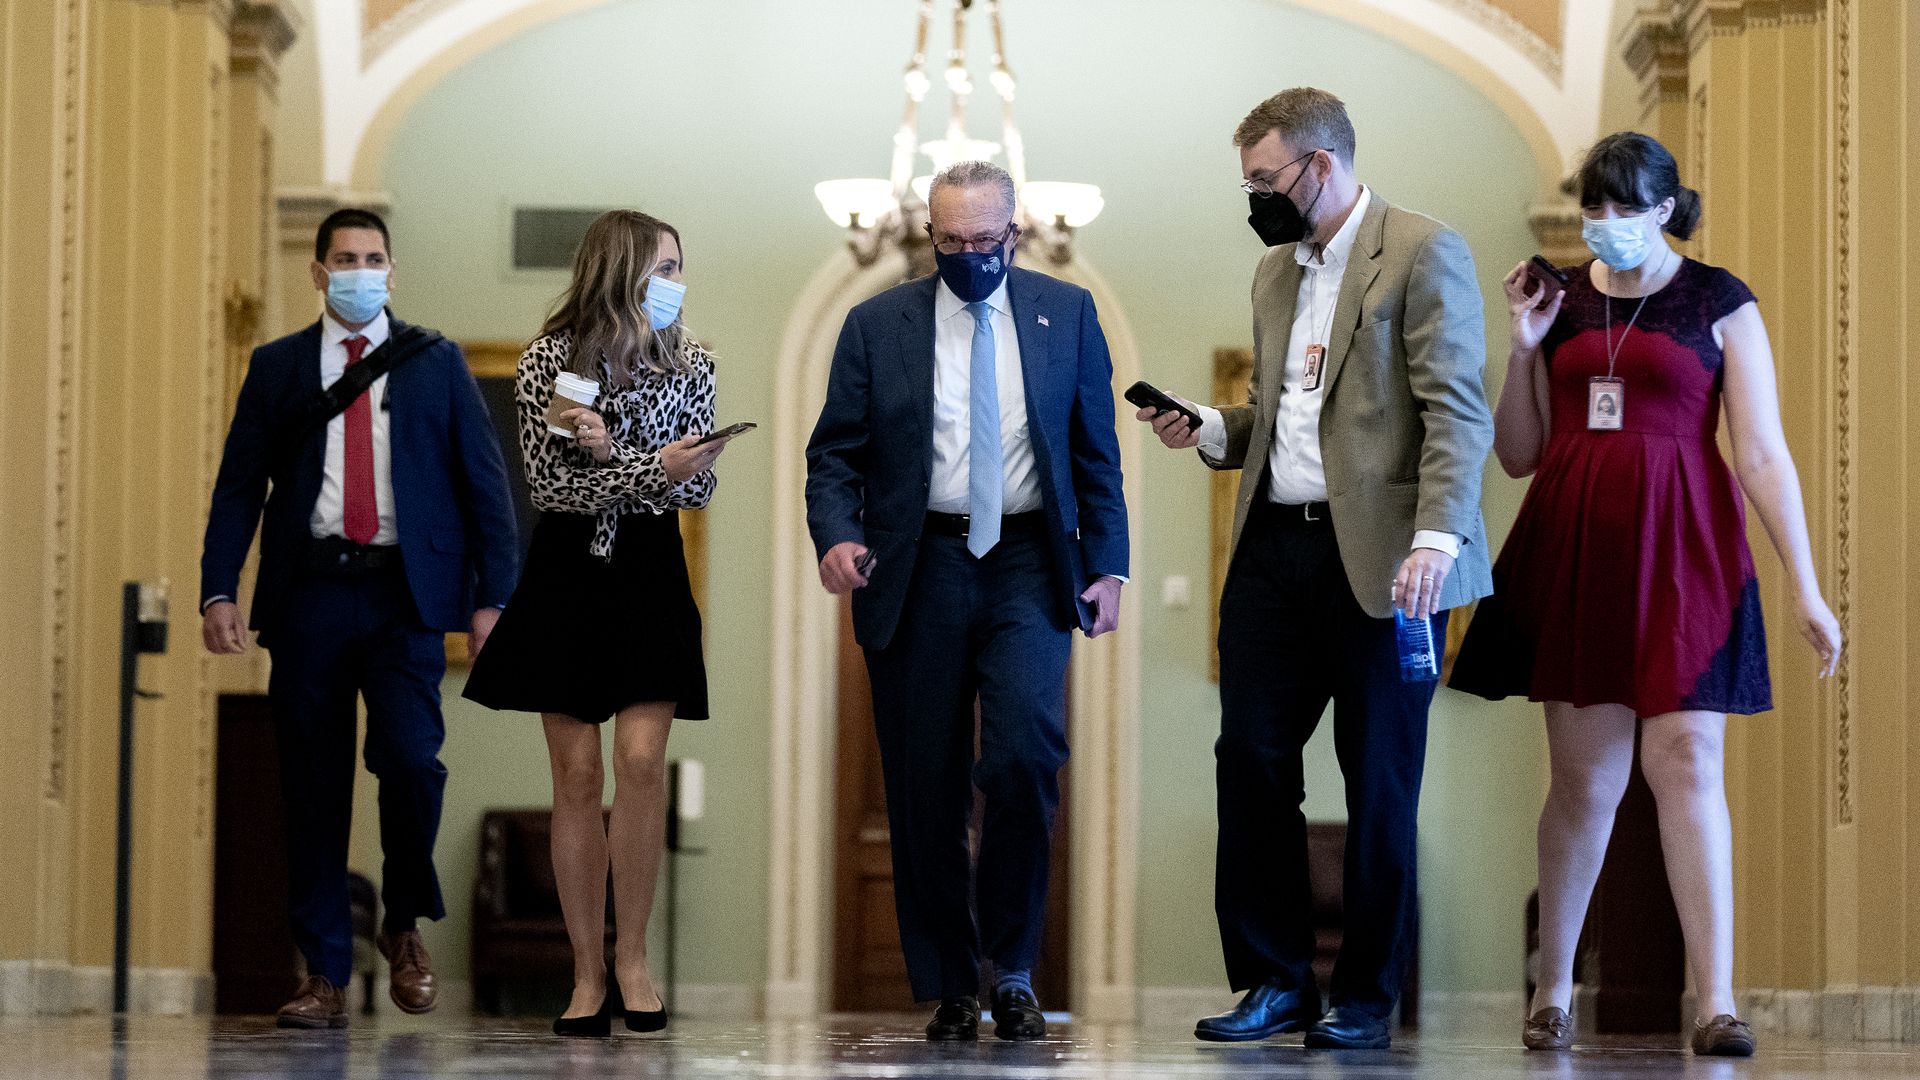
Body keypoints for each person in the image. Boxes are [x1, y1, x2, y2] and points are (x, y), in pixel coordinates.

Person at [1450, 132, 1842, 1057]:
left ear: (1668, 207)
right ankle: (1552, 991)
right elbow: (1517, 451)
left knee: (1689, 764)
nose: (1608, 225)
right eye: (1596, 207)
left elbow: (1760, 452)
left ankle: (1715, 1001)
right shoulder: (1561, 297)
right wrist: (1523, 346)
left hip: (1688, 548)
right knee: (1584, 781)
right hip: (1576, 541)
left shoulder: (1720, 300)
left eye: (1627, 207)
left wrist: (1806, 585)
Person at [1139, 88, 1494, 1050]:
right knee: (1249, 764)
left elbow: (1458, 410)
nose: (1254, 196)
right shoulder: (1272, 274)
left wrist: (1438, 540)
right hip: (1273, 551)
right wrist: (1214, 429)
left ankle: (1367, 1001)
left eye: (1265, 179)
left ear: (1320, 167)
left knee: (1378, 781)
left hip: (1387, 561)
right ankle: (1274, 983)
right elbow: (1289, 421)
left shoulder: (1423, 251)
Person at [805, 160, 1128, 1042]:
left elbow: (1095, 450)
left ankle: (1014, 968)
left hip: (1029, 558)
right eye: (951, 242)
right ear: (931, 237)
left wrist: (1108, 565)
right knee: (923, 783)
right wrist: (836, 534)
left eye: (986, 242)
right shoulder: (877, 324)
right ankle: (953, 980)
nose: (970, 257)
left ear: (1014, 234)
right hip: (921, 563)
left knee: (1025, 753)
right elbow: (835, 453)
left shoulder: (1067, 314)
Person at [200, 207, 520, 1028]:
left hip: (403, 597)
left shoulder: (435, 362)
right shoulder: (275, 368)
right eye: (344, 258)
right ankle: (323, 975)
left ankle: (404, 924)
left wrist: (495, 600)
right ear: (317, 271)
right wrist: (218, 589)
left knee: (413, 762)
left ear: (391, 270)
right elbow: (239, 485)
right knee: (310, 786)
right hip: (307, 595)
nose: (359, 270)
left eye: (373, 257)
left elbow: (487, 487)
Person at [463, 210, 732, 1037]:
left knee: (642, 762)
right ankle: (585, 974)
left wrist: (629, 464)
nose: (674, 284)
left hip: (650, 569)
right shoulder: (553, 358)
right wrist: (644, 467)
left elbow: (693, 493)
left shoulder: (694, 361)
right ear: (618, 271)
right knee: (576, 778)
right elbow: (552, 488)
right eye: (662, 268)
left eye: (680, 267)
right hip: (569, 571)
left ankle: (633, 959)